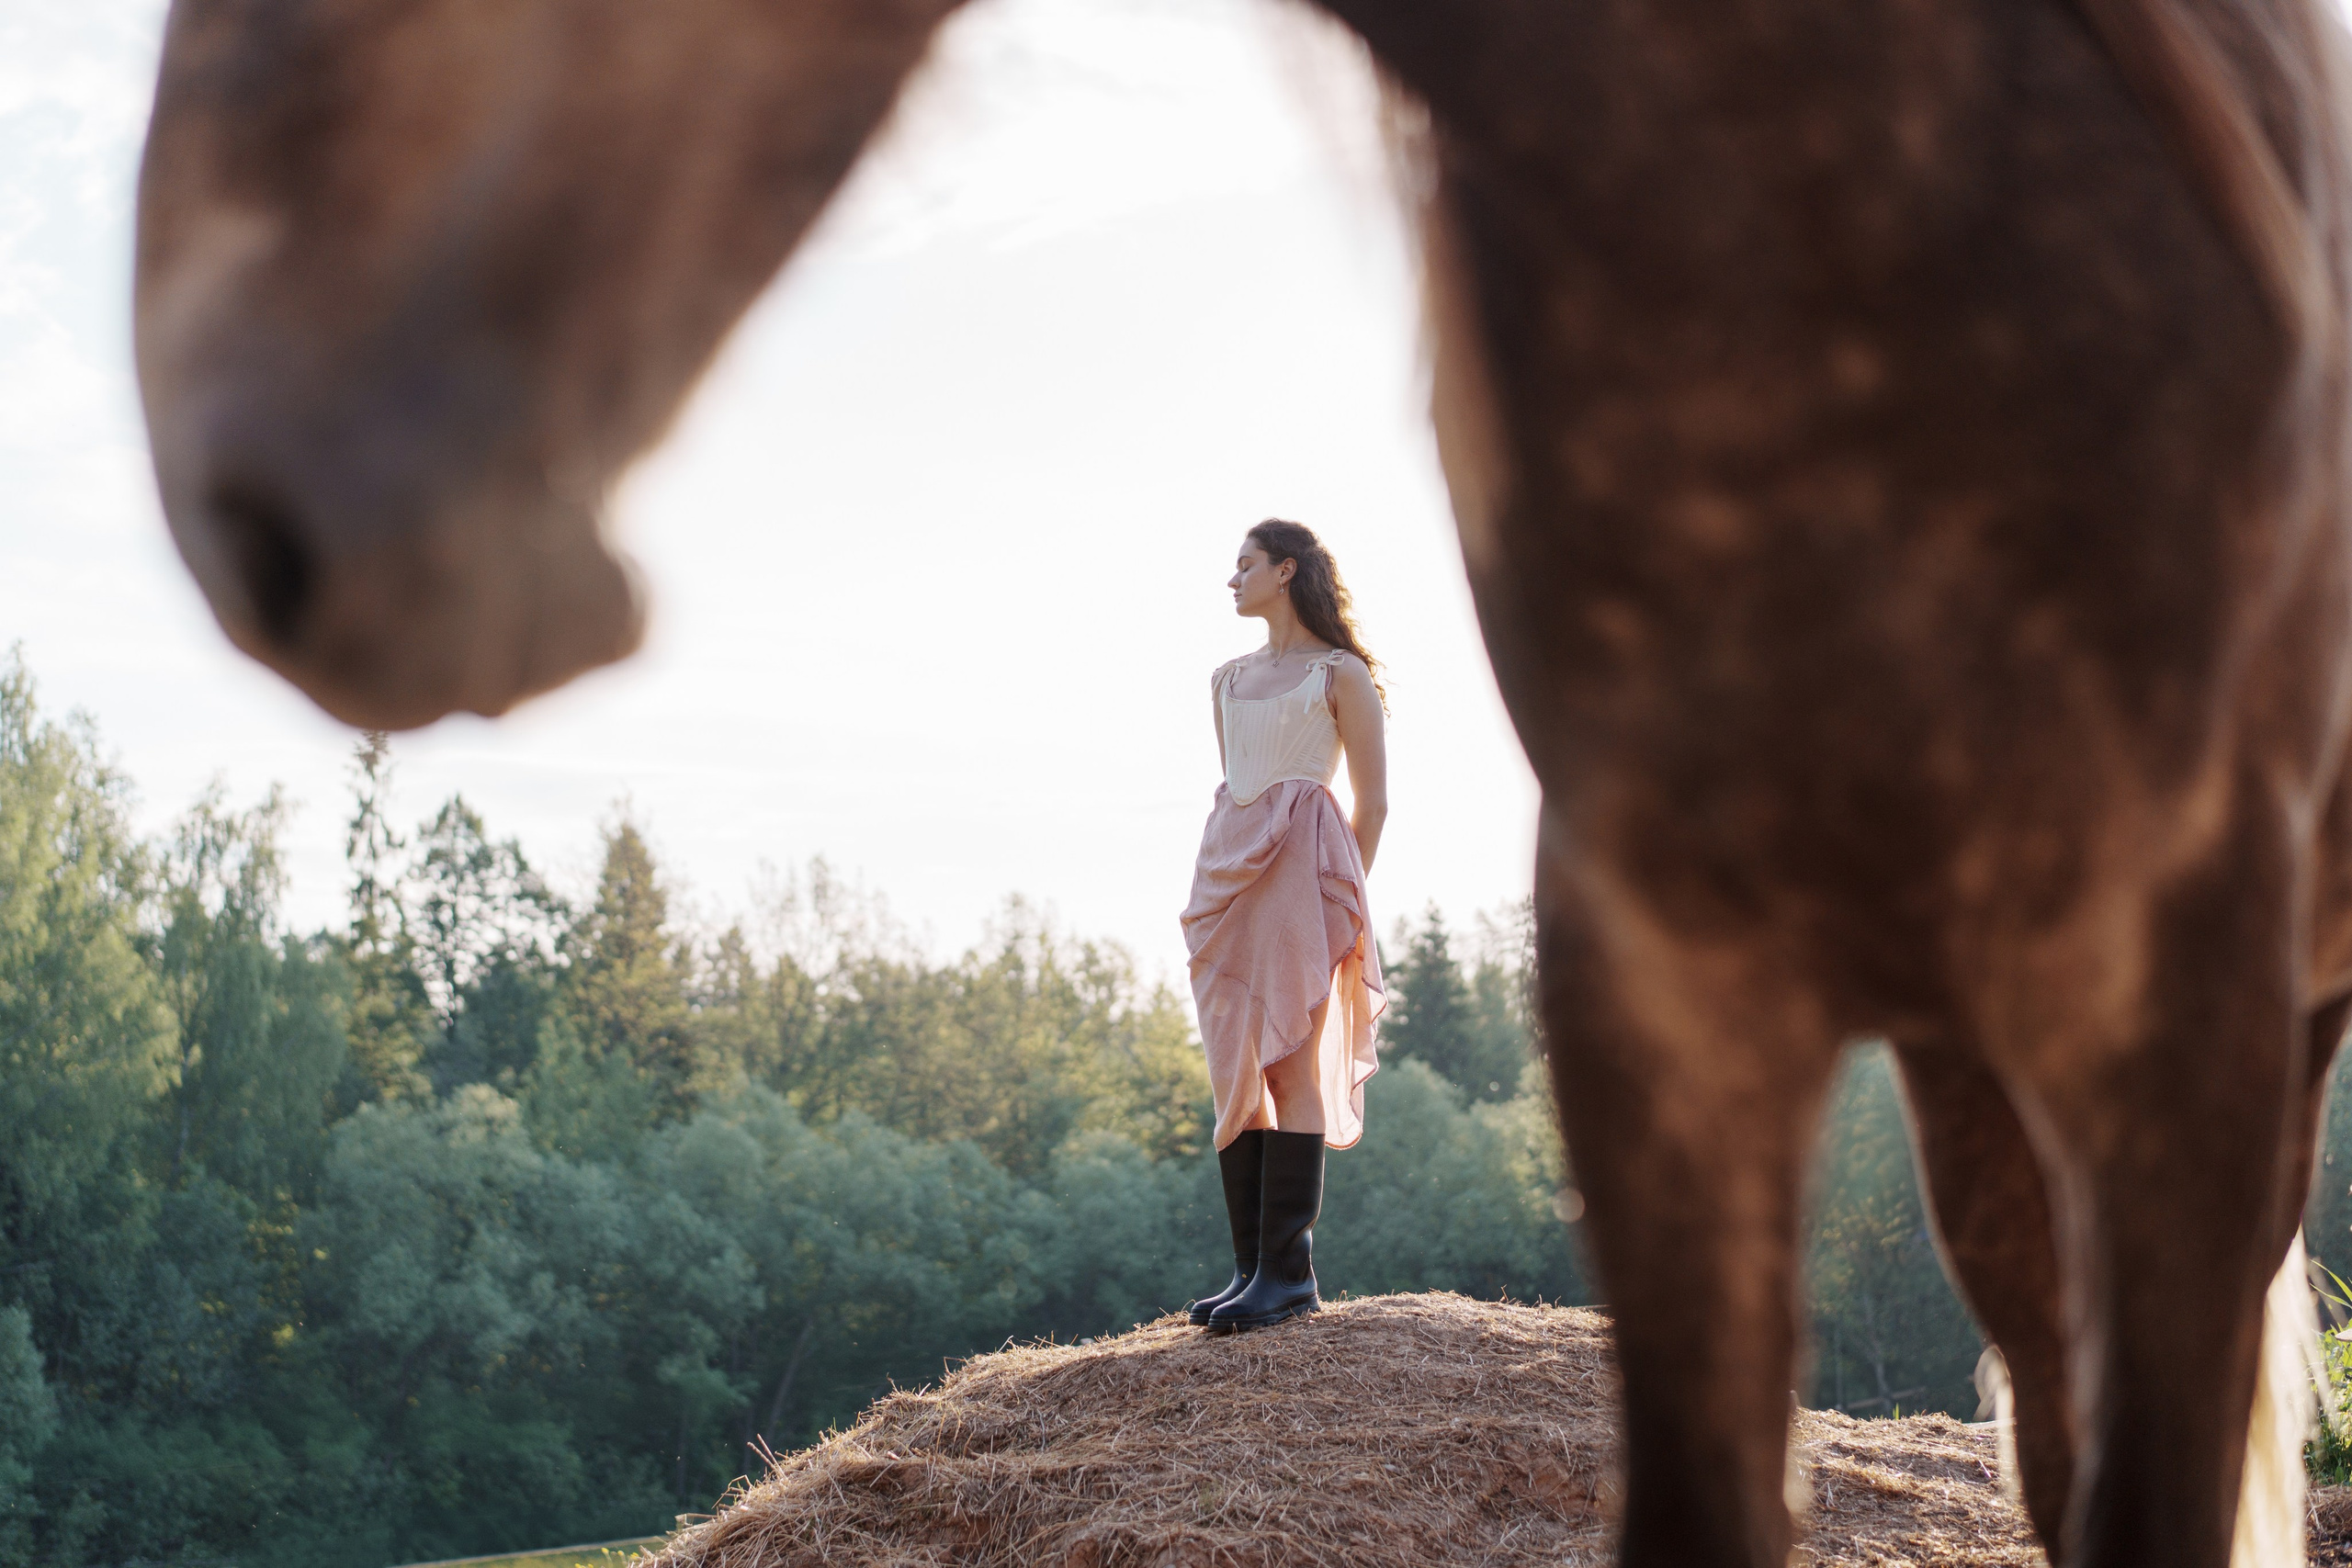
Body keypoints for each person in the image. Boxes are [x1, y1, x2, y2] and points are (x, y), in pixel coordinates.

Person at [1182, 518, 1387, 1335]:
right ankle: (1249, 1268)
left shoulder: (1341, 675)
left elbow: (1374, 803)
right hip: (1227, 875)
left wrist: (1338, 896)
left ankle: (1289, 1275)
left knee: (1292, 1061)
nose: (1233, 580)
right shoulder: (1226, 678)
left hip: (1302, 875)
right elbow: (1239, 787)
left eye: (1245, 566)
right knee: (1238, 1069)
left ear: (1286, 570)